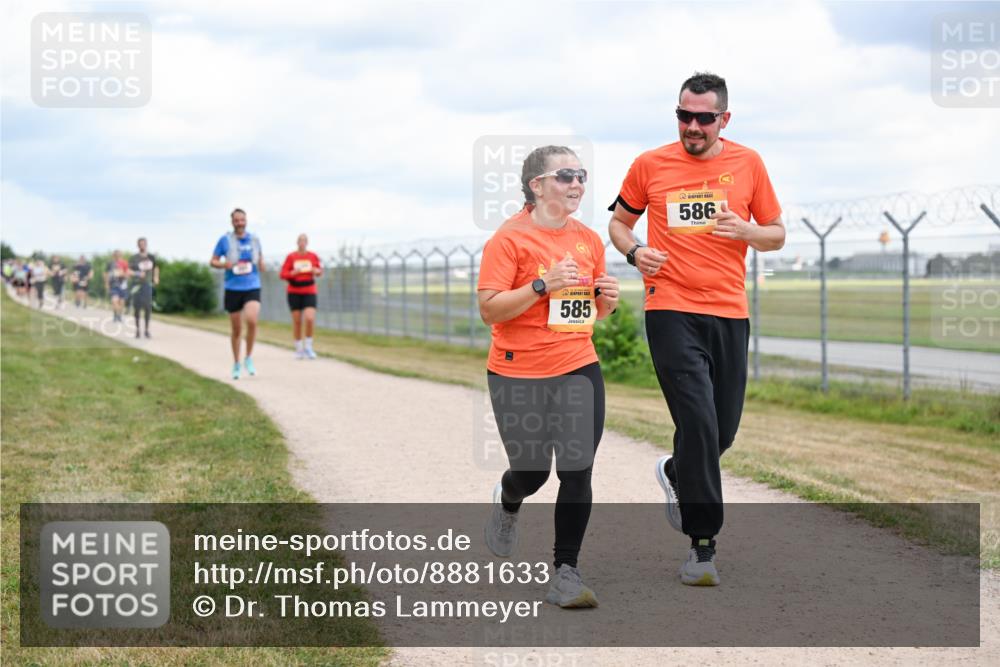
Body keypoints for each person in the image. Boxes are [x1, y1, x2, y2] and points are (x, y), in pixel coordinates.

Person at [607, 72, 785, 586]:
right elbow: (619, 224)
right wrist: (636, 252)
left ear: (723, 119)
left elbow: (775, 234)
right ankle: (702, 547)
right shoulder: (650, 165)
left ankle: (678, 473)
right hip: (671, 308)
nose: (692, 126)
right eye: (683, 115)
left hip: (730, 311)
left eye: (703, 118)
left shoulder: (749, 163)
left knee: (721, 430)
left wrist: (747, 230)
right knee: (700, 422)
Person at [478, 146, 620, 609]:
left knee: (577, 469)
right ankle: (508, 497)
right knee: (533, 472)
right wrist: (542, 284)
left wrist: (606, 301)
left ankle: (566, 571)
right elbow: (489, 309)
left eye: (580, 175)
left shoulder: (589, 239)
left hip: (578, 364)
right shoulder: (509, 239)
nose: (577, 183)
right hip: (517, 371)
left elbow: (589, 310)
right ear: (537, 185)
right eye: (564, 176)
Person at [210, 208, 264, 380]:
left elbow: (260, 259)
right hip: (233, 288)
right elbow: (213, 261)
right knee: (236, 329)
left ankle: (248, 357)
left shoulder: (254, 239)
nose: (240, 223)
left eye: (242, 220)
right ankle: (236, 363)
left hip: (252, 285)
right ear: (232, 222)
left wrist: (262, 265)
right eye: (237, 220)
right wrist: (222, 265)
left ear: (246, 221)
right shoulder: (224, 240)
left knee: (252, 320)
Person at [279, 234, 323, 359]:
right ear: (297, 242)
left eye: (304, 241)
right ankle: (299, 349)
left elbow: (319, 271)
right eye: (300, 241)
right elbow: (283, 274)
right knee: (297, 321)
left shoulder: (312, 256)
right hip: (294, 290)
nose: (302, 243)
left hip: (309, 290)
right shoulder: (291, 257)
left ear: (307, 243)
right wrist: (292, 273)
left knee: (309, 318)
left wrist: (317, 271)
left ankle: (308, 346)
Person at [129, 238, 159, 338]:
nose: (142, 245)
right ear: (138, 245)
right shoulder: (134, 258)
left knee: (147, 307)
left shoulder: (151, 257)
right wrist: (137, 273)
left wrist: (155, 277)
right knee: (137, 308)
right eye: (140, 244)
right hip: (137, 285)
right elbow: (128, 271)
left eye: (144, 244)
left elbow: (156, 268)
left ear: (146, 245)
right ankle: (137, 330)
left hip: (147, 285)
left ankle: (146, 330)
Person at [105, 250, 130, 322]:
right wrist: (106, 284)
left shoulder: (125, 263)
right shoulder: (110, 263)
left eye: (119, 255)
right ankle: (115, 315)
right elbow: (106, 274)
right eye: (116, 255)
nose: (117, 256)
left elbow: (128, 274)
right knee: (114, 301)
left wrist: (122, 274)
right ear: (113, 255)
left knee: (122, 303)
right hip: (113, 285)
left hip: (123, 286)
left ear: (121, 255)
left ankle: (119, 315)